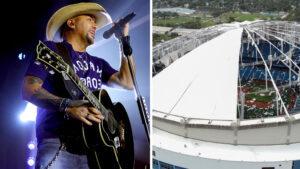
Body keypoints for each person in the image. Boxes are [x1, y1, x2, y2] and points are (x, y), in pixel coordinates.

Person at [22, 2, 135, 169]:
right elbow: (29, 90)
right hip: (58, 143)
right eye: (90, 19)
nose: (95, 25)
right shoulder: (52, 50)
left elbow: (127, 82)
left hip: (93, 149)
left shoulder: (98, 63)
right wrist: (68, 106)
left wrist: (122, 41)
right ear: (71, 23)